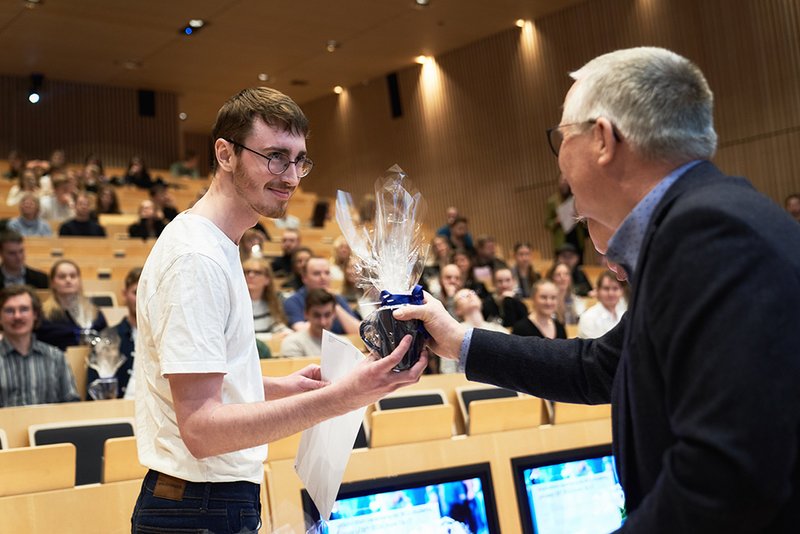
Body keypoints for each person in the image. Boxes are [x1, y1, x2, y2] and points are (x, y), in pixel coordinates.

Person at [395, 47, 800, 532]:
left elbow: (726, 478)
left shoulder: (707, 234)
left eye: (563, 137)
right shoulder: (703, 221)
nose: (560, 163)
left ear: (604, 139)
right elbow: (600, 367)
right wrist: (459, 341)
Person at [131, 87, 427, 533]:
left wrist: (278, 387)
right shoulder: (196, 258)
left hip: (206, 501)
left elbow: (204, 383)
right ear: (225, 154)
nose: (290, 176)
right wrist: (343, 398)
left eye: (299, 161)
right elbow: (202, 429)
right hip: (197, 505)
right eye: (274, 157)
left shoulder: (216, 244)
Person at [0, 285, 80, 407]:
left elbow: (72, 404)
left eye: (24, 309)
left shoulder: (56, 357)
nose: (17, 316)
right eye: (9, 311)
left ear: (35, 314)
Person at [87, 268, 141, 399]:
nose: (141, 299)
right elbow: (94, 390)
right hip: (120, 407)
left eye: (145, 293)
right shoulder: (108, 337)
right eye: (136, 292)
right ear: (124, 294)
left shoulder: (164, 337)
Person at [36, 259, 108, 350]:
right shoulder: (43, 315)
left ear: (79, 281)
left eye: (73, 276)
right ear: (53, 283)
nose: (68, 280)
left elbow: (106, 341)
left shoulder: (94, 313)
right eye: (62, 277)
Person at [282, 256, 361, 333]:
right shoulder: (293, 302)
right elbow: (301, 330)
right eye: (317, 273)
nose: (323, 277)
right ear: (304, 278)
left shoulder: (338, 298)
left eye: (327, 273)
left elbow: (357, 331)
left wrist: (334, 305)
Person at [279, 289, 338, 357]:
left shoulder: (343, 344)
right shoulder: (292, 343)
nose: (323, 322)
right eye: (317, 315)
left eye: (327, 315)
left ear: (334, 314)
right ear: (306, 314)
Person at [242, 257, 291, 337]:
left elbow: (278, 327)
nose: (251, 275)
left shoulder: (271, 303)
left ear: (267, 279)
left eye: (257, 272)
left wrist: (287, 333)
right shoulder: (233, 304)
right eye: (246, 272)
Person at [577, 270, 627, 339]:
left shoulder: (624, 314)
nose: (611, 293)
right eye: (606, 288)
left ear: (622, 291)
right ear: (598, 291)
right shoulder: (588, 318)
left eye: (615, 289)